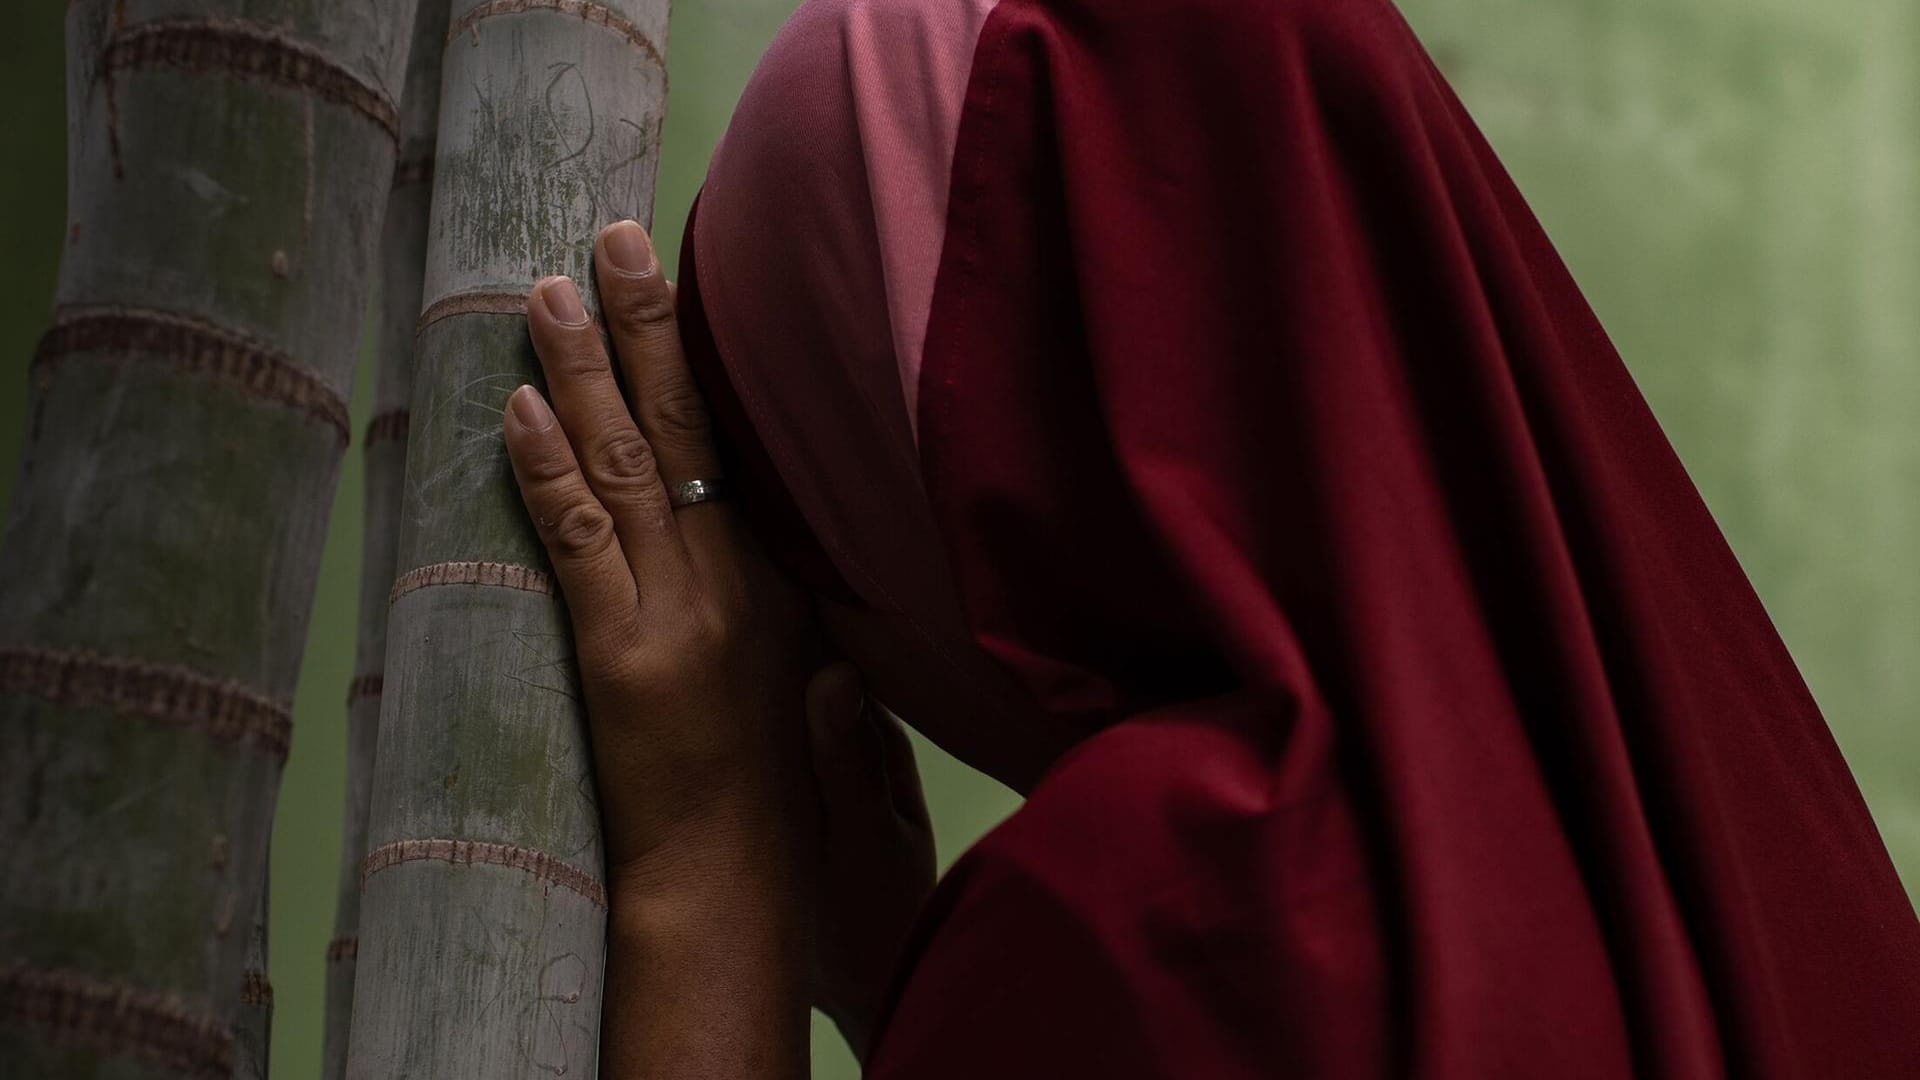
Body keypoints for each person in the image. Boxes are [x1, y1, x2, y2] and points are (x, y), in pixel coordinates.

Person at [499, 0, 1920, 1075]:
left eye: (802, 514)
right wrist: (909, 1000)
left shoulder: (1160, 915)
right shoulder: (1772, 864)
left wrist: (709, 869)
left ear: (977, 489)